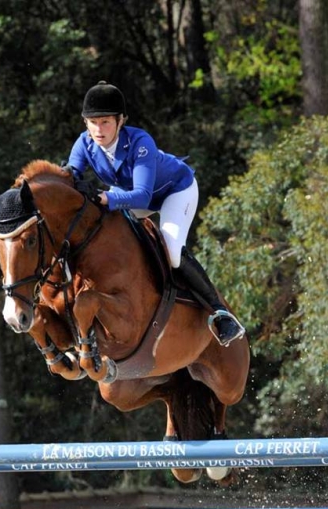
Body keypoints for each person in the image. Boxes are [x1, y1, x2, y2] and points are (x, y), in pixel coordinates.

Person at [66, 81, 245, 346]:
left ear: (120, 120)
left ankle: (221, 314)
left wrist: (106, 197)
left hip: (174, 190)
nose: (98, 129)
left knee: (171, 247)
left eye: (105, 122)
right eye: (93, 122)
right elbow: (69, 176)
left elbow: (142, 196)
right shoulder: (84, 144)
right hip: (129, 193)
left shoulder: (140, 142)